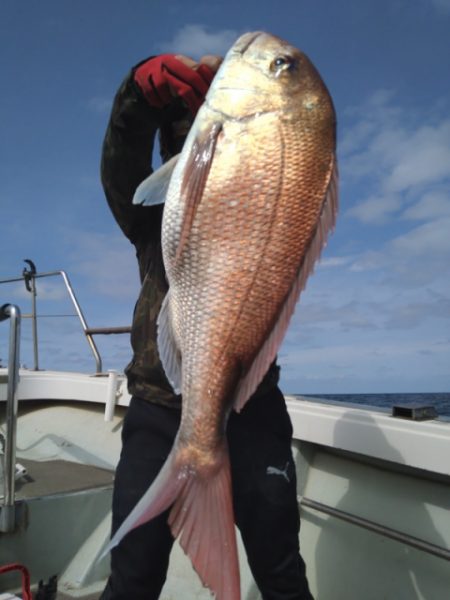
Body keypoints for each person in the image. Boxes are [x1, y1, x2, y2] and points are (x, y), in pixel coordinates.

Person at [99, 52, 314, 600]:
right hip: (157, 408)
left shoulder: (269, 187)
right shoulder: (154, 212)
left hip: (254, 405)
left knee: (282, 572)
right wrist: (135, 95)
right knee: (132, 579)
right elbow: (123, 172)